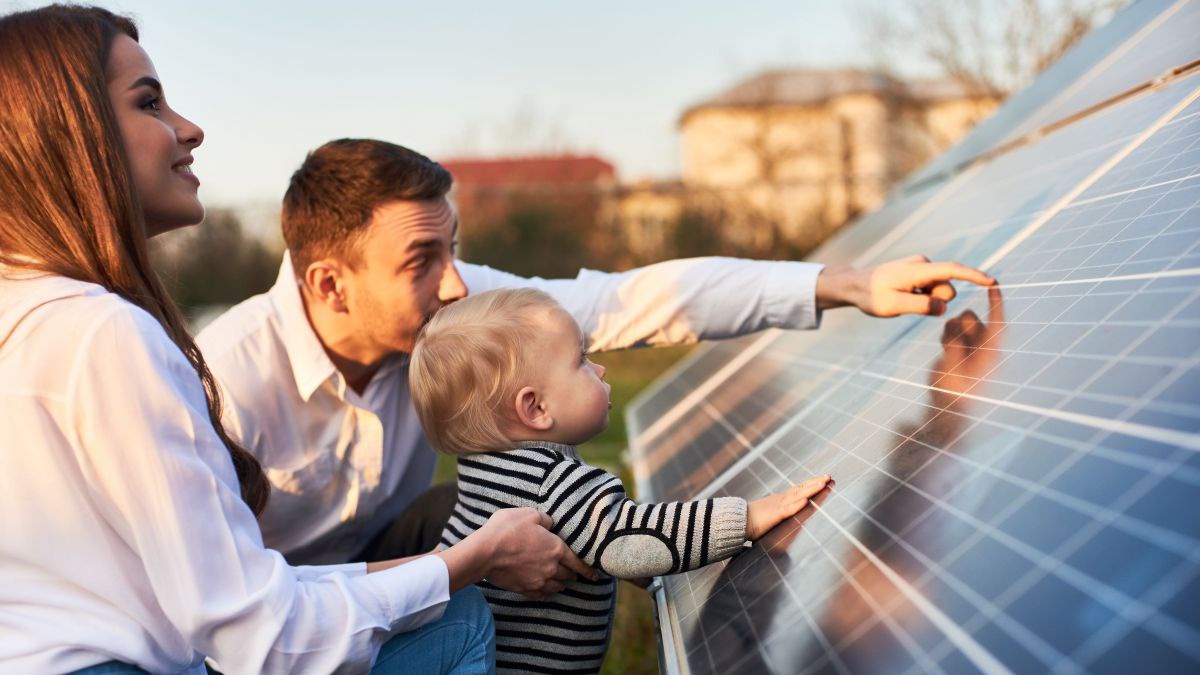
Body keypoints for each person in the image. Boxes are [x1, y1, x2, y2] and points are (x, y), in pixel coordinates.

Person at [0, 6, 590, 674]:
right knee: (457, 622)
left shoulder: (26, 316)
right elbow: (263, 639)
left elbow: (233, 598)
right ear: (68, 136)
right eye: (149, 102)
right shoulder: (106, 335)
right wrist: (471, 563)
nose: (189, 128)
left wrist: (458, 558)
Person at [198, 138, 997, 567]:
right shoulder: (224, 383)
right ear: (331, 285)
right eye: (420, 263)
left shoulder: (453, 307)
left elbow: (627, 300)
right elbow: (223, 609)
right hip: (271, 626)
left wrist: (844, 283)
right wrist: (460, 569)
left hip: (387, 558)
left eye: (454, 250)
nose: (454, 288)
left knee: (528, 507)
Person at [408, 287, 834, 673]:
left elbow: (595, 542)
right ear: (535, 409)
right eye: (580, 360)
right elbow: (631, 539)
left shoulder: (483, 473)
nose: (600, 368)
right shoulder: (553, 484)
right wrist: (748, 518)